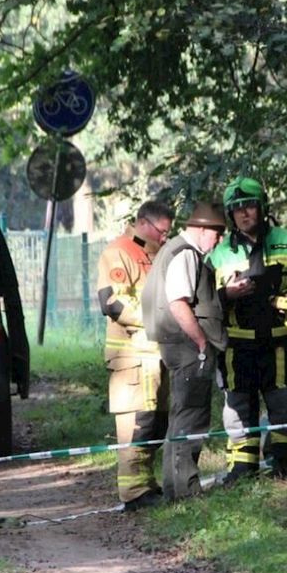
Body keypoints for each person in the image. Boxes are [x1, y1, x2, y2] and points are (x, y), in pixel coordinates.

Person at [206, 177, 287, 481]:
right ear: (230, 215)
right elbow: (202, 299)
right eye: (237, 209)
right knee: (239, 407)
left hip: (279, 344)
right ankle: (243, 470)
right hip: (237, 346)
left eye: (250, 207)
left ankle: (286, 468)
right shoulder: (218, 254)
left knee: (283, 405)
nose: (244, 214)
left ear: (262, 207)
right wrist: (226, 295)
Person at [142, 202, 231, 501]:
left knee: (182, 417)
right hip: (188, 348)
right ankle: (185, 490)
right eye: (217, 234)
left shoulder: (175, 250)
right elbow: (178, 302)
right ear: (203, 229)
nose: (219, 241)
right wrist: (201, 341)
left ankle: (175, 488)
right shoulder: (185, 253)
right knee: (191, 417)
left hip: (179, 346)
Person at [96, 201, 175, 511]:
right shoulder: (118, 252)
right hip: (131, 358)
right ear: (144, 223)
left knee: (156, 424)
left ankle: (146, 484)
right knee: (136, 425)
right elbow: (111, 302)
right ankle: (132, 493)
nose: (166, 238)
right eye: (162, 231)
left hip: (157, 355)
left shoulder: (156, 254)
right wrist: (155, 319)